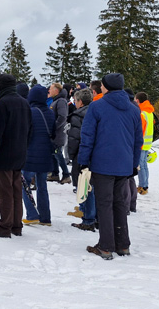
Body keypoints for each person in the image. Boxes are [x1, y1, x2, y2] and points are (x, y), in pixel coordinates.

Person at [77, 73, 142, 260]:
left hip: (102, 163)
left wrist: (83, 161)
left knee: (104, 204)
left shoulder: (97, 106)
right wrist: (134, 164)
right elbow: (137, 140)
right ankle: (123, 245)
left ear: (105, 87)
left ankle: (105, 246)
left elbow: (88, 136)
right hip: (124, 164)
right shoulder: (133, 109)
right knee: (120, 204)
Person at [0, 74, 32, 238]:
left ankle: (5, 227)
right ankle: (16, 225)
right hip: (20, 154)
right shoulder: (25, 103)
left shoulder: (1, 105)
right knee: (16, 191)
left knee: (4, 192)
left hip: (3, 156)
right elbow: (30, 131)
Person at [21, 85, 55, 227]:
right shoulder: (50, 112)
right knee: (42, 186)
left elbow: (25, 133)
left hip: (31, 154)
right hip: (46, 154)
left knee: (24, 184)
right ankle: (45, 217)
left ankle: (32, 213)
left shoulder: (30, 112)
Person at [68, 89, 94, 229]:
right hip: (94, 154)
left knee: (84, 185)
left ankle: (87, 216)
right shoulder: (96, 112)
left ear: (80, 102)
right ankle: (91, 215)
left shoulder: (78, 116)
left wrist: (71, 155)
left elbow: (74, 138)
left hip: (81, 152)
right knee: (92, 185)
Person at [48, 83, 71, 184]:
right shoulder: (56, 100)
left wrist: (54, 127)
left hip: (58, 133)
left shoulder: (60, 101)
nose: (49, 90)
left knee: (58, 153)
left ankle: (66, 174)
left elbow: (62, 116)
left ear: (56, 90)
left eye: (51, 88)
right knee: (54, 152)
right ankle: (55, 173)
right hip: (55, 133)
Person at [134, 92, 155, 195]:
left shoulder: (142, 113)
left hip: (141, 143)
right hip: (147, 142)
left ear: (137, 100)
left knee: (140, 165)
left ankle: (142, 186)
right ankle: (145, 184)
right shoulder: (149, 112)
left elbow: (140, 130)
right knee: (144, 165)